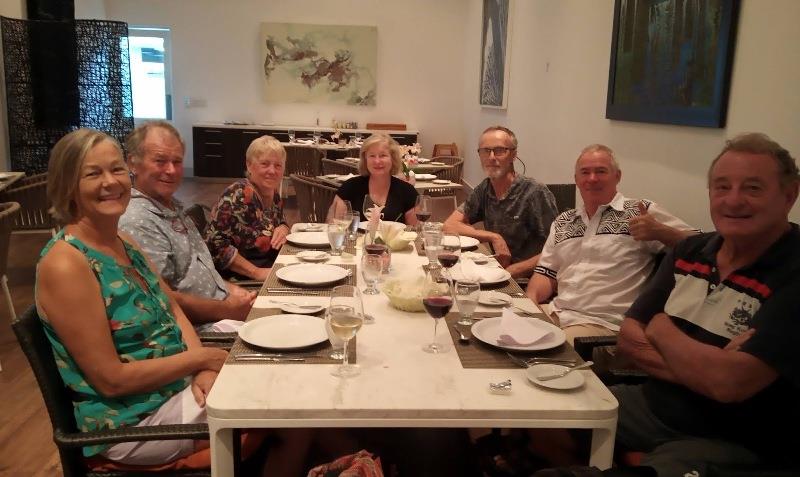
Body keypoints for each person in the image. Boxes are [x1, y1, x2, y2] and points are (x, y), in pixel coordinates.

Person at [527, 144, 696, 344]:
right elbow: (546, 273)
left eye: (601, 171)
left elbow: (702, 245)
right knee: (493, 330)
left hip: (602, 327)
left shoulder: (640, 212)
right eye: (585, 172)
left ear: (617, 176)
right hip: (556, 313)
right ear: (576, 180)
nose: (592, 178)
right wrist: (530, 302)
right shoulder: (564, 221)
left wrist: (661, 232)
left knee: (541, 351)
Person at [118, 121, 254, 329]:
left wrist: (230, 290)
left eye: (177, 161)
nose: (171, 170)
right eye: (160, 161)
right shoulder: (137, 221)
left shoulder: (172, 208)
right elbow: (161, 299)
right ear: (132, 163)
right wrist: (228, 309)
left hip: (223, 310)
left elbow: (193, 275)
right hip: (200, 332)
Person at [443, 126, 557, 277]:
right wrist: (493, 237)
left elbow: (558, 248)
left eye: (499, 150)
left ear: (513, 155)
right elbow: (449, 225)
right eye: (485, 151)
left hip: (531, 279)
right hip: (498, 272)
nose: (491, 157)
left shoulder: (534, 192)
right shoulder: (485, 188)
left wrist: (512, 271)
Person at [205, 135, 290, 280]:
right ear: (249, 165)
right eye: (265, 164)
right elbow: (216, 246)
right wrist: (256, 273)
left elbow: (279, 221)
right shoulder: (239, 195)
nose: (272, 171)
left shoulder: (272, 192)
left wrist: (283, 228)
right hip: (239, 280)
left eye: (278, 165)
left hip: (269, 265)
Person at [331, 133, 418, 224]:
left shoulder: (407, 192)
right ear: (365, 160)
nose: (377, 161)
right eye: (372, 156)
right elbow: (334, 226)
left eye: (383, 155)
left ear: (393, 159)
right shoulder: (349, 188)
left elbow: (416, 231)